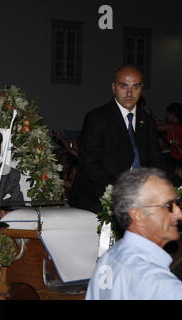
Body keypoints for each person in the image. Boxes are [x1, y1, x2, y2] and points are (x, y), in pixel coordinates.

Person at [69, 64, 165, 213]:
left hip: (138, 201)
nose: (129, 92)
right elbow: (90, 166)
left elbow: (156, 162)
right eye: (123, 86)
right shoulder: (97, 118)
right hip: (96, 202)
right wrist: (125, 192)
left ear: (141, 89)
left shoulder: (147, 121)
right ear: (113, 87)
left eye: (135, 87)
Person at [86, 168, 182, 299]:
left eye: (178, 204)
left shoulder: (111, 256)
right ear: (138, 214)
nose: (179, 213)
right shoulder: (162, 286)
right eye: (169, 205)